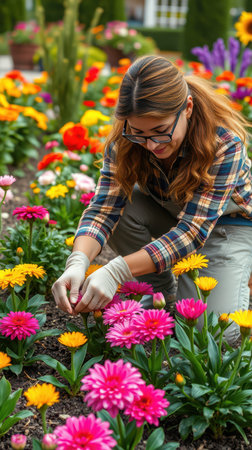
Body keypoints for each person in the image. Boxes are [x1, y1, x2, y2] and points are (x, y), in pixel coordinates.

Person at [52, 55, 252, 343]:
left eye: (160, 132)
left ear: (188, 108)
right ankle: (159, 290)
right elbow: (103, 210)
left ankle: (234, 267)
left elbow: (192, 232)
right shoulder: (124, 140)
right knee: (123, 207)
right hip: (173, 217)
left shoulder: (224, 145)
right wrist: (77, 261)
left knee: (213, 334)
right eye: (139, 134)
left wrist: (117, 270)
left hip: (226, 227)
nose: (151, 145)